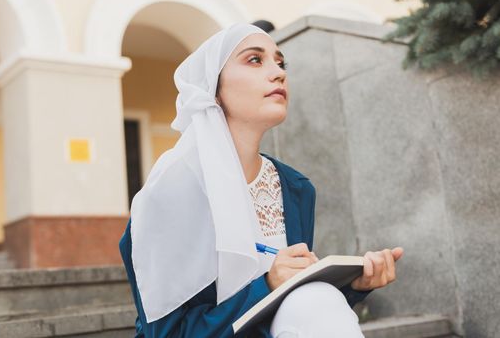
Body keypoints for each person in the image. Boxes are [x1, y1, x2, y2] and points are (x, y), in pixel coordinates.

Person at [119, 23, 403, 338]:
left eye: (281, 63)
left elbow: (295, 310)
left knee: (317, 300)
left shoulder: (295, 187)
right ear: (214, 88)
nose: (278, 73)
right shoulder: (172, 189)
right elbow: (168, 333)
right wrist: (267, 284)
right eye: (255, 60)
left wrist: (354, 286)